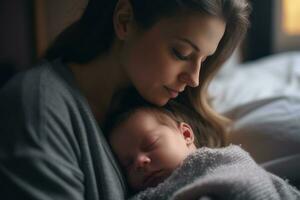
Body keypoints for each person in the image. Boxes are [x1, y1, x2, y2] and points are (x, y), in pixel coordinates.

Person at [0, 0, 251, 199]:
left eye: (204, 60)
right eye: (180, 52)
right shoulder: (38, 108)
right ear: (125, 21)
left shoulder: (160, 113)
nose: (194, 79)